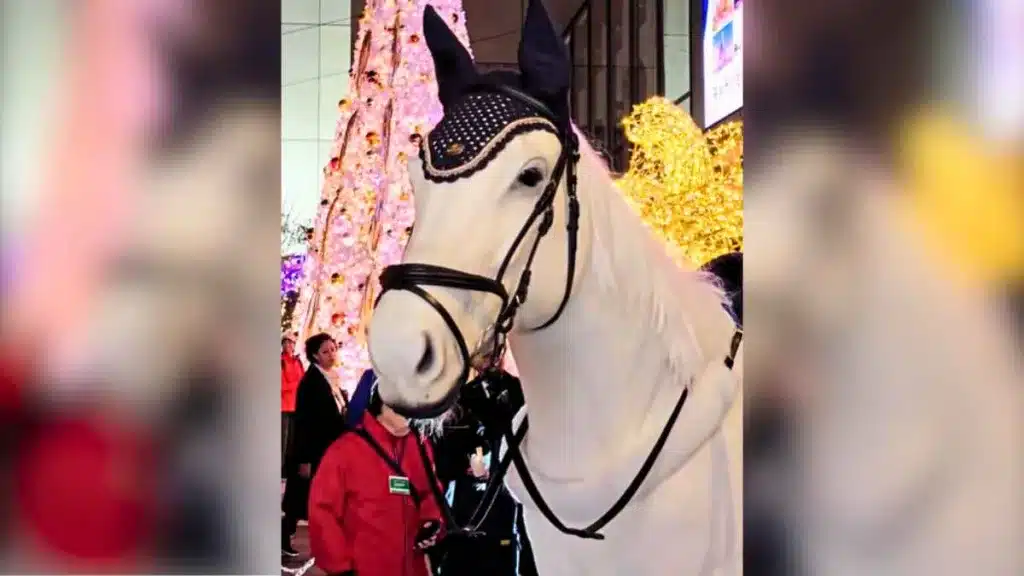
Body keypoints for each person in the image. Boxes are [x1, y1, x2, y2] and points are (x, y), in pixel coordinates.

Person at [308, 388, 444, 576]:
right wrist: (339, 567)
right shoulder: (344, 450)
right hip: (364, 567)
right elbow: (322, 512)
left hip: (412, 566)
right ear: (385, 403)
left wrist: (431, 521)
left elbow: (431, 492)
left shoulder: (420, 446)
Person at [281, 333, 348, 557]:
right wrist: (303, 459)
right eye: (325, 351)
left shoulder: (332, 378)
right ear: (315, 356)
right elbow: (304, 423)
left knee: (314, 498)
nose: (331, 355)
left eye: (333, 349)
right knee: (301, 497)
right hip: (313, 450)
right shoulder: (311, 382)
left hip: (329, 449)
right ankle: (284, 535)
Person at [280, 335, 304, 478]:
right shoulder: (280, 362)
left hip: (296, 406)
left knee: (292, 441)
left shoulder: (297, 361)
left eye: (292, 342)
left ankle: (288, 470)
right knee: (282, 440)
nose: (289, 345)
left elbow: (303, 379)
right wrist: (298, 385)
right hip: (283, 407)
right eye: (286, 342)